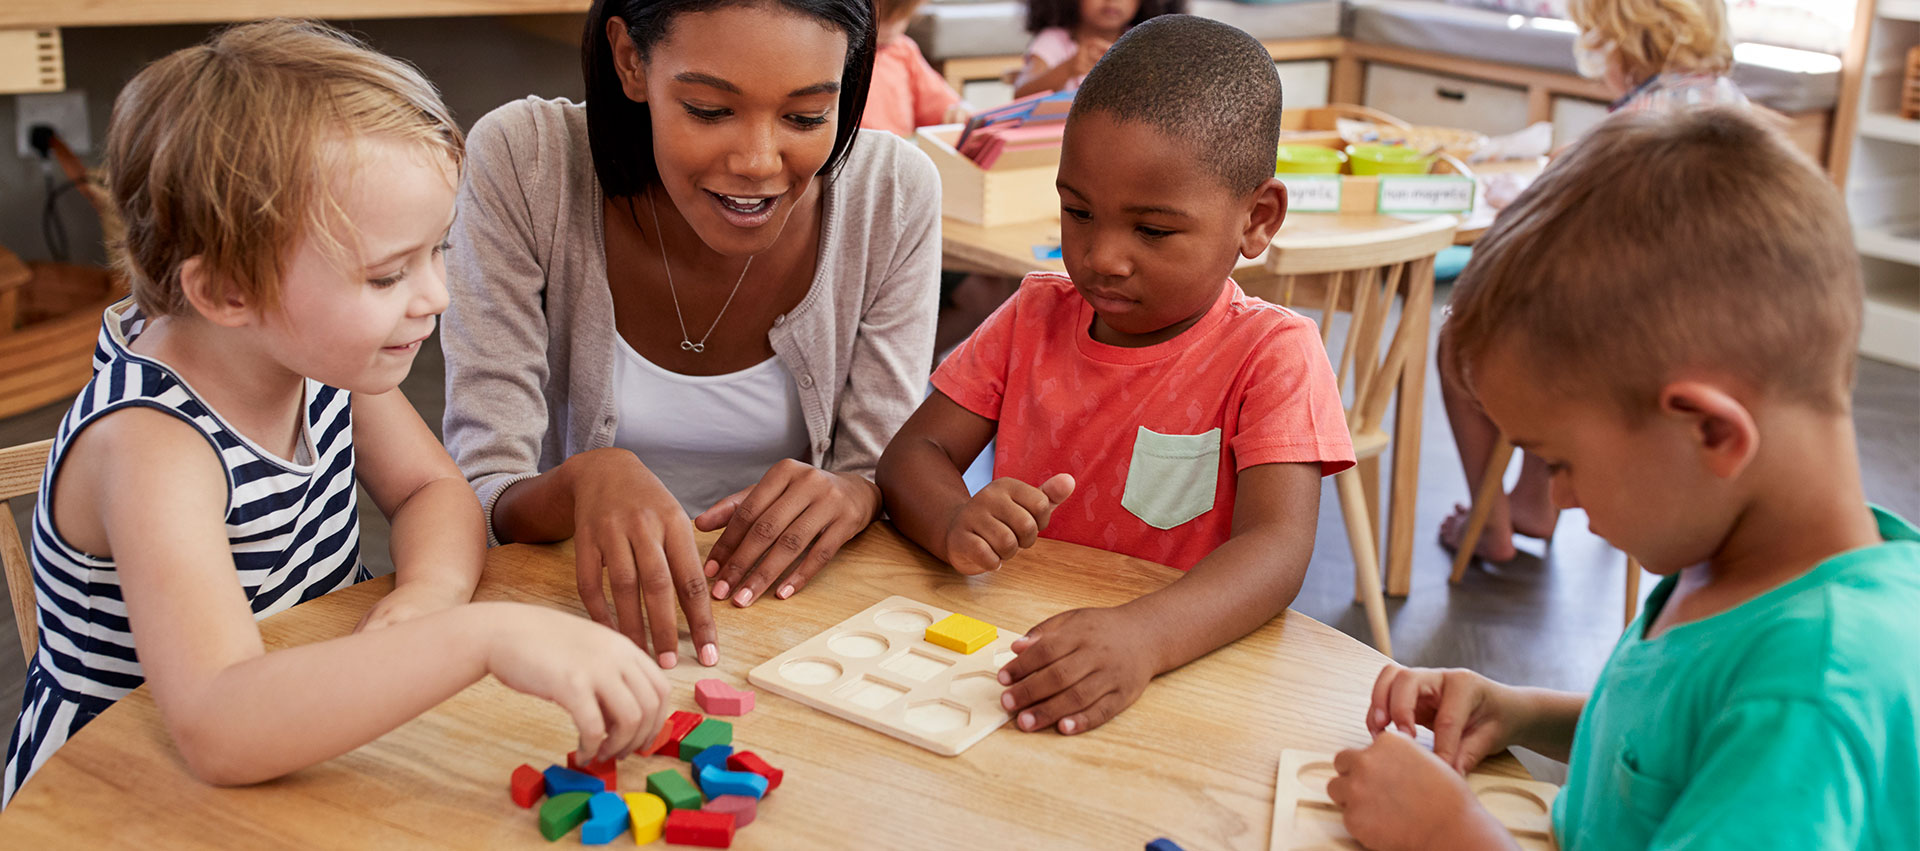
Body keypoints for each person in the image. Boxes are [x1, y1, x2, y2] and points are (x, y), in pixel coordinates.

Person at [4, 21, 669, 806]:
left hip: (304, 731)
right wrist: (480, 637)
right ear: (225, 291)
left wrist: (426, 597)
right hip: (125, 793)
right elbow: (219, 721)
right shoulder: (153, 447)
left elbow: (432, 492)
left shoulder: (312, 355)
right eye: (388, 275)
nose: (437, 297)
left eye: (437, 251)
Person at [1330, 108, 1919, 851]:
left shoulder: (1810, 694)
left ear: (1710, 431)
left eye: (1559, 463)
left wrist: (1453, 837)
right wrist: (1522, 712)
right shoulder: (1747, 562)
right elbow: (1677, 745)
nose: (1561, 498)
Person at [878, 16, 1353, 736]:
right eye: (1078, 211)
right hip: (1018, 654)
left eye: (1153, 230)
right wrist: (953, 518)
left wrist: (1145, 636)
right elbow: (915, 454)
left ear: (1257, 218)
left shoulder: (1273, 354)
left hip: (1180, 672)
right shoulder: (1032, 314)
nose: (1103, 256)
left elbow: (1276, 550)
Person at [442, 0, 943, 668]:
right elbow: (480, 489)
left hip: (801, 636)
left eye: (806, 116)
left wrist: (860, 490)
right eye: (710, 109)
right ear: (629, 60)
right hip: (570, 628)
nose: (760, 162)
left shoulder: (892, 193)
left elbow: (879, 468)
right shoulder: (527, 162)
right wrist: (582, 481)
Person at [1439, 0, 1749, 562]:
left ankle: (1492, 524)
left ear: (1620, 38)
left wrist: (1518, 198)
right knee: (1551, 312)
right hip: (1708, 347)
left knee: (1463, 334)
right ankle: (1534, 500)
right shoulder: (1733, 108)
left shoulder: (1633, 128)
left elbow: (1550, 226)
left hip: (1624, 357)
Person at [1010, 0, 1186, 98]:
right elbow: (1021, 92)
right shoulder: (1054, 40)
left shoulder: (1146, 39)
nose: (1112, 1)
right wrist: (1068, 68)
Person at [860, 0, 972, 135]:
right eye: (881, 16)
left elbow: (943, 106)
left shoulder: (903, 50)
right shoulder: (840, 55)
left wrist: (958, 112)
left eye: (902, 17)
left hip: (900, 150)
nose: (892, 28)